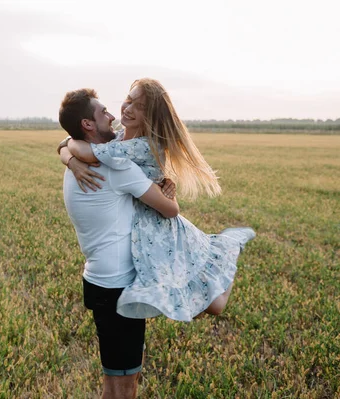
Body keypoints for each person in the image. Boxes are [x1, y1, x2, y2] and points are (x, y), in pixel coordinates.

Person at [59, 78, 256, 322]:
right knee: (180, 292)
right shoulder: (118, 140)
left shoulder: (139, 147)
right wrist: (69, 155)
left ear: (150, 117)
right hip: (145, 229)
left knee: (213, 304)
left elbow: (84, 150)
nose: (127, 109)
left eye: (140, 106)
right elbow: (72, 143)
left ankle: (230, 246)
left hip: (162, 226)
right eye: (129, 100)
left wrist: (70, 154)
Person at [58, 88, 179, 399]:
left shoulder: (79, 163)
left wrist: (68, 157)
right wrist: (168, 194)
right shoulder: (117, 168)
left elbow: (64, 144)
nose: (113, 115)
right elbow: (169, 210)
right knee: (123, 384)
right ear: (87, 124)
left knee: (119, 377)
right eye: (103, 112)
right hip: (117, 288)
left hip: (99, 281)